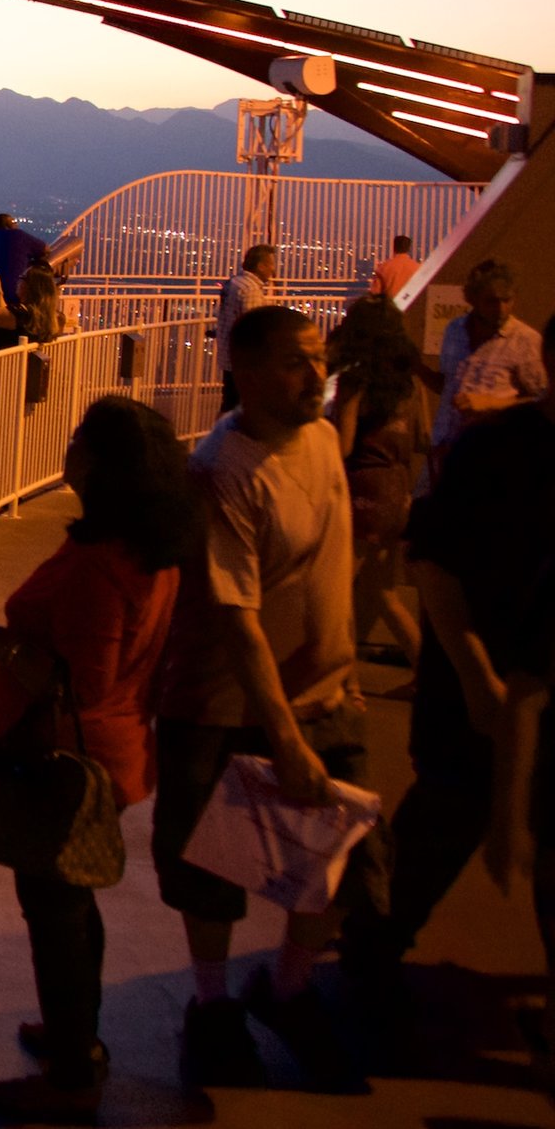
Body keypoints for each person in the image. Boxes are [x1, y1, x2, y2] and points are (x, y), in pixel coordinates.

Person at [150, 305, 377, 1094]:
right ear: (243, 373)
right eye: (294, 363)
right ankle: (214, 1006)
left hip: (322, 690)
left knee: (342, 859)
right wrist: (284, 737)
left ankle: (283, 983)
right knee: (213, 868)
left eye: (318, 359)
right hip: (224, 705)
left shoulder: (317, 436)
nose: (314, 374)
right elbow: (236, 619)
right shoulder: (223, 469)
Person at [0, 397, 202, 1124]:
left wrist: (5, 647)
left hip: (65, 762)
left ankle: (72, 1074)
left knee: (56, 913)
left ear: (101, 464)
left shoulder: (102, 565)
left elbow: (82, 682)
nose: (67, 453)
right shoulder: (147, 546)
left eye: (77, 444)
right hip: (119, 749)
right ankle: (77, 1034)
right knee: (73, 902)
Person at [343, 313, 555, 1065]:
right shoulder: (497, 450)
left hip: (513, 688)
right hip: (474, 693)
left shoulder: (497, 444)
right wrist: (476, 677)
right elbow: (432, 561)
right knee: (433, 836)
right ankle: (362, 976)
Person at [324, 295, 424, 663]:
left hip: (364, 492)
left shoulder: (356, 379)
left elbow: (344, 444)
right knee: (383, 592)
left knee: (335, 592)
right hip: (398, 491)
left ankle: (337, 679)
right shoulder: (406, 384)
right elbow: (420, 439)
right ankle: (422, 669)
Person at [424, 259, 545, 457]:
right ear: (473, 299)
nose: (501, 309)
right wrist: (417, 368)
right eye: (492, 301)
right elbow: (448, 386)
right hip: (447, 449)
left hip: (494, 453)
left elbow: (543, 400)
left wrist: (492, 403)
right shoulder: (455, 330)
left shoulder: (525, 341)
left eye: (507, 300)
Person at [213, 244, 276, 412]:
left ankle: (220, 436)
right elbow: (253, 325)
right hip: (245, 360)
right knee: (243, 406)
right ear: (261, 266)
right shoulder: (250, 290)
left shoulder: (233, 283)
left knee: (229, 403)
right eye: (271, 264)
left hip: (228, 355)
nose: (273, 270)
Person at [0, 213, 47, 315]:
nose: (16, 225)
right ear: (7, 225)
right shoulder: (17, 235)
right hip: (15, 294)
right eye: (14, 222)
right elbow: (45, 249)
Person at [368, 234, 421, 301]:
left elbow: (375, 293)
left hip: (389, 308)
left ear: (394, 247)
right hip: (410, 307)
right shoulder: (417, 268)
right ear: (408, 248)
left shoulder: (383, 267)